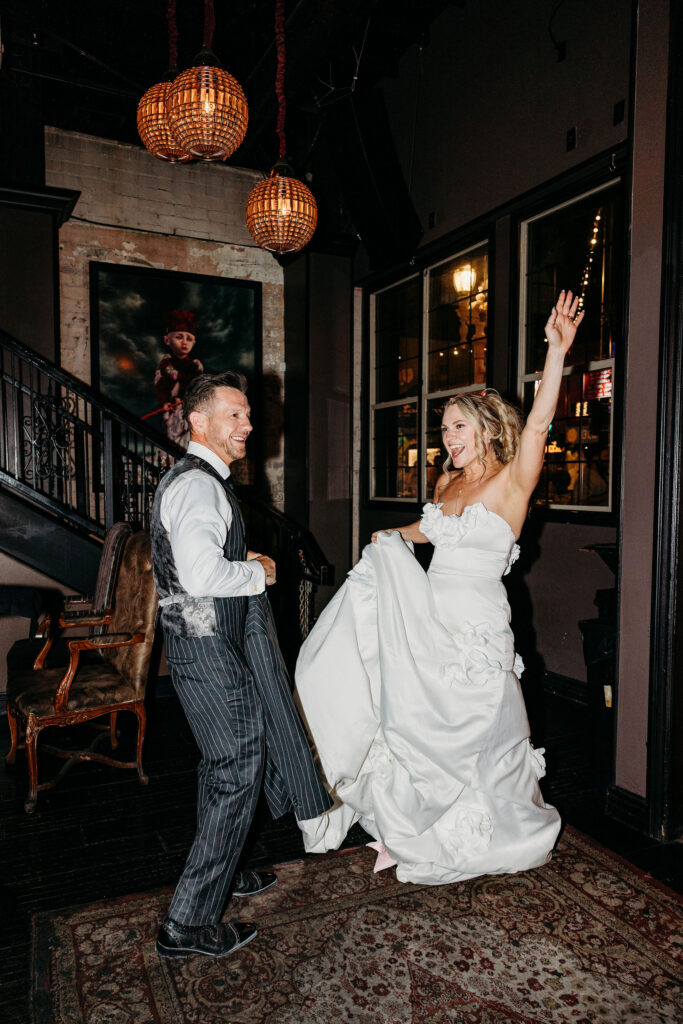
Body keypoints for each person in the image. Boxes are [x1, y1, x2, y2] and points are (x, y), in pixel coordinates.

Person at [295, 290, 584, 885]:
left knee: (481, 731)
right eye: (443, 429)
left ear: (483, 428)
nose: (448, 438)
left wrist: (556, 353)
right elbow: (425, 531)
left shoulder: (512, 483)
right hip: (432, 620)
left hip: (478, 628)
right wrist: (386, 536)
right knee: (421, 727)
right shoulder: (448, 485)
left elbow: (537, 423)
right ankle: (420, 828)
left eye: (457, 427)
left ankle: (490, 832)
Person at [150, 370, 331, 958]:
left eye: (247, 414)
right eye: (235, 414)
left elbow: (194, 560)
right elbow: (202, 577)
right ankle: (189, 923)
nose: (248, 425)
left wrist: (240, 555)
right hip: (210, 652)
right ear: (198, 421)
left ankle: (225, 874)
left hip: (198, 647)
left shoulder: (194, 482)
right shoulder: (200, 486)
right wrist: (258, 572)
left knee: (224, 768)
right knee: (235, 771)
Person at [154, 308, 204, 446]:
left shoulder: (195, 366)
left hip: (191, 408)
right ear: (167, 340)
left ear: (194, 342)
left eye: (189, 339)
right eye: (179, 337)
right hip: (174, 408)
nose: (184, 342)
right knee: (175, 437)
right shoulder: (166, 363)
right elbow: (160, 386)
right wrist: (164, 402)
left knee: (191, 437)